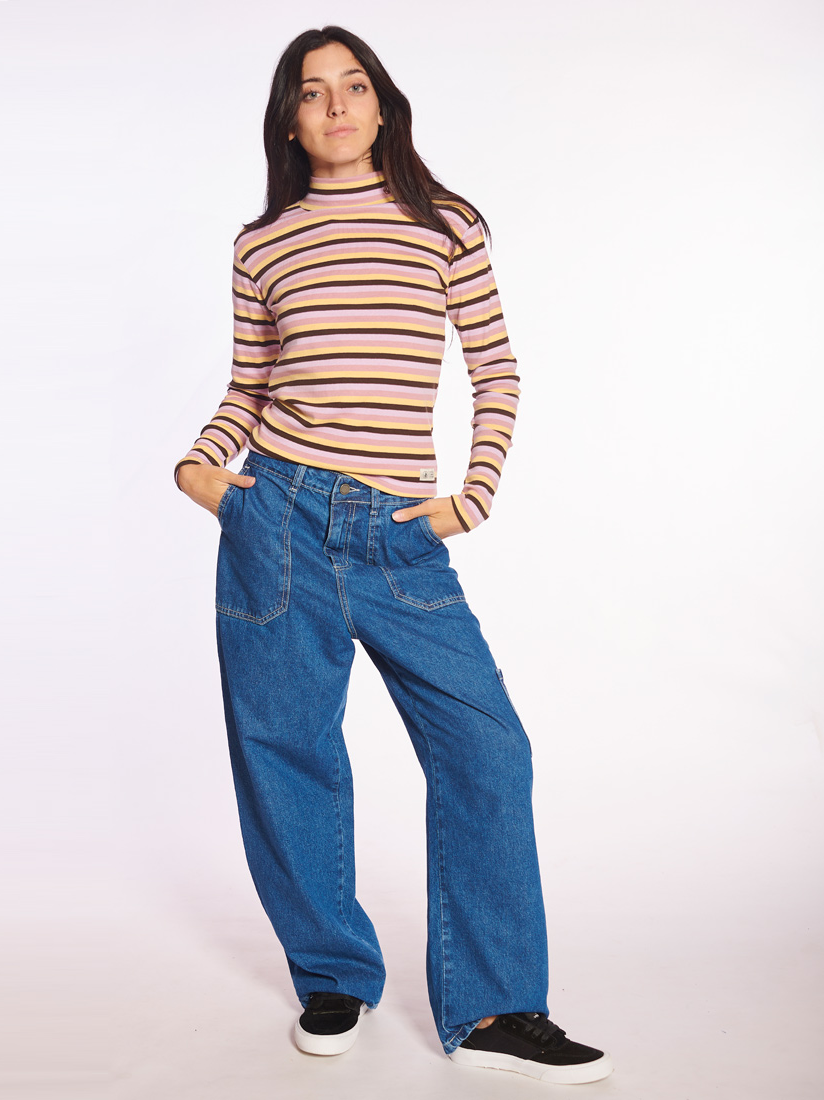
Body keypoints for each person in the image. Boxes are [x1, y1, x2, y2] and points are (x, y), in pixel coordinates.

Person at [174, 25, 613, 1085]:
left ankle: (497, 1008)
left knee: (488, 750)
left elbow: (497, 368)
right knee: (287, 748)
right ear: (289, 120)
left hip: (398, 531)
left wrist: (473, 497)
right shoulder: (262, 243)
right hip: (277, 516)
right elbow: (249, 384)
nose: (336, 105)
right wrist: (200, 468)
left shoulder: (443, 224)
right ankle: (332, 974)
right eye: (312, 92)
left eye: (354, 85)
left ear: (382, 104)